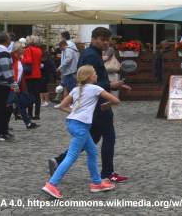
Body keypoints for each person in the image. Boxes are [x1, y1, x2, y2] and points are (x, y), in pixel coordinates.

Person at [48, 27, 129, 185]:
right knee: (109, 137)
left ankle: (58, 160)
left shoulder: (92, 53)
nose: (106, 43)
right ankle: (107, 173)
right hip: (98, 104)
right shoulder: (91, 55)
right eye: (103, 40)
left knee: (92, 138)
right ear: (94, 38)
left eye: (108, 40)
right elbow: (89, 82)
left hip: (94, 103)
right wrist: (111, 84)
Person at [41, 64, 121, 200]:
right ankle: (51, 184)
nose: (97, 75)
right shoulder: (96, 88)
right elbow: (116, 100)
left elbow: (61, 106)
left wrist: (76, 112)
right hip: (81, 126)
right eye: (95, 73)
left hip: (72, 123)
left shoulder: (76, 89)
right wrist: (106, 105)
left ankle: (97, 183)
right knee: (71, 156)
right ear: (90, 76)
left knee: (92, 152)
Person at [23, 36, 46, 118]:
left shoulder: (28, 49)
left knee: (29, 94)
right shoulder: (39, 50)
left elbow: (28, 61)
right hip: (38, 74)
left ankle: (29, 113)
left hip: (30, 75)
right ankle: (37, 114)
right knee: (37, 95)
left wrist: (22, 58)